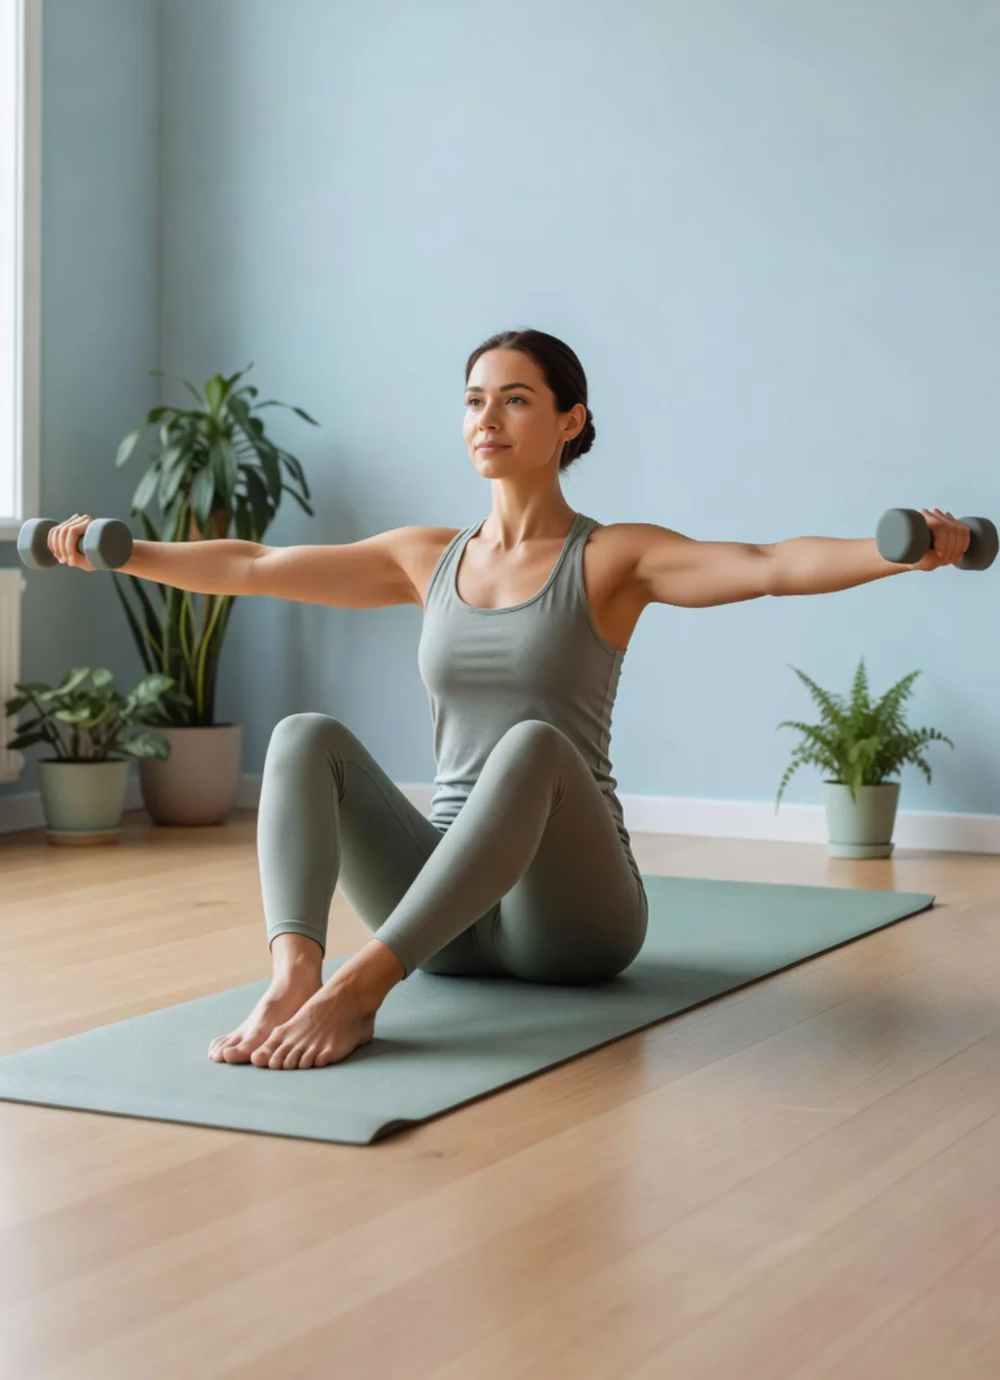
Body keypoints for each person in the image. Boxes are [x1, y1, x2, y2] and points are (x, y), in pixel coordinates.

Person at [49, 327, 971, 1072]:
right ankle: (297, 973)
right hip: (443, 920)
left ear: (571, 421)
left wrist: (895, 550)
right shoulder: (428, 557)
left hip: (572, 922)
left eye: (516, 398)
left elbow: (768, 565)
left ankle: (361, 988)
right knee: (303, 735)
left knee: (531, 745)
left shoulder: (611, 558)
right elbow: (255, 564)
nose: (487, 416)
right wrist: (123, 552)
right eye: (474, 399)